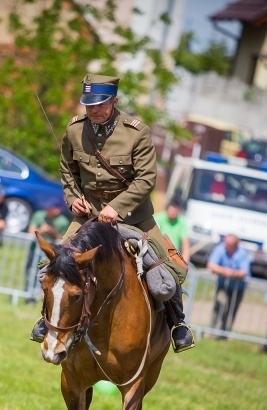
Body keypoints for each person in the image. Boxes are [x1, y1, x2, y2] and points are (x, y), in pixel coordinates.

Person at [29, 72, 195, 352]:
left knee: (166, 275)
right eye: (89, 104)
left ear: (114, 101)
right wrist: (73, 199)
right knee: (52, 266)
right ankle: (48, 321)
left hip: (135, 217)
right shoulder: (74, 130)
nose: (93, 110)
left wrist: (116, 208)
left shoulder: (136, 132)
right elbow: (68, 171)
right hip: (88, 216)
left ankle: (178, 324)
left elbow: (146, 179)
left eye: (100, 104)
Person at [25, 197, 70, 302]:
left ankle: (43, 296)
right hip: (35, 250)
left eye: (50, 208)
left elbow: (63, 240)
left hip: (50, 255)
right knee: (30, 272)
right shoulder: (39, 215)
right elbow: (30, 232)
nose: (47, 210)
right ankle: (29, 295)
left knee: (47, 275)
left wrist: (53, 232)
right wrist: (41, 230)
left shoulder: (62, 221)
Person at [206, 234, 251, 338]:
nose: (226, 246)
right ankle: (212, 332)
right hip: (223, 286)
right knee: (219, 305)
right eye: (226, 243)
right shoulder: (220, 249)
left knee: (231, 311)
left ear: (236, 244)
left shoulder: (242, 253)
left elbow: (245, 272)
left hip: (238, 288)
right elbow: (211, 265)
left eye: (229, 244)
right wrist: (224, 271)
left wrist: (233, 273)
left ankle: (224, 335)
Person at [154, 198, 190, 264]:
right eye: (171, 210)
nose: (173, 213)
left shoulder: (181, 222)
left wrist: (185, 260)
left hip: (173, 257)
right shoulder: (158, 218)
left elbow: (185, 243)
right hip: (157, 253)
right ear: (167, 209)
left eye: (175, 211)